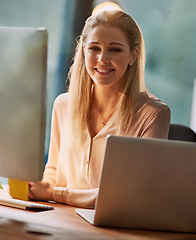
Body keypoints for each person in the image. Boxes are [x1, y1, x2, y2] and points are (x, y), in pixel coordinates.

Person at [28, 10, 171, 208]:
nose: (103, 58)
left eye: (115, 50)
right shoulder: (63, 105)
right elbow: (53, 171)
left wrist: (55, 194)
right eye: (95, 48)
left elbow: (134, 193)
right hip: (61, 220)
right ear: (84, 51)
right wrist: (34, 188)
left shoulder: (154, 114)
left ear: (133, 55)